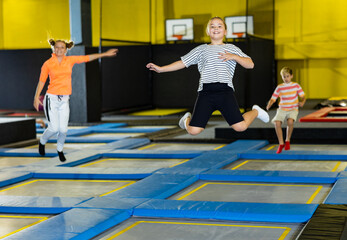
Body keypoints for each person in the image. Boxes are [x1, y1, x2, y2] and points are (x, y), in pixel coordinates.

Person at [146, 17, 269, 135]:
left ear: (225, 31)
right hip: (205, 92)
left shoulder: (231, 48)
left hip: (225, 91)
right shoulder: (201, 49)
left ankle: (256, 111)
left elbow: (250, 64)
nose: (216, 28)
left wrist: (235, 57)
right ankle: (186, 120)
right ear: (208, 31)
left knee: (240, 127)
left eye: (219, 26)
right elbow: (182, 63)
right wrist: (161, 69)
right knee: (193, 131)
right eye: (212, 26)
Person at [33, 39, 118, 161]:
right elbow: (41, 81)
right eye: (57, 47)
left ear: (66, 49)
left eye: (62, 47)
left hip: (65, 99)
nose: (59, 49)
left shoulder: (70, 60)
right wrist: (36, 97)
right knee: (54, 128)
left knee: (63, 130)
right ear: (54, 49)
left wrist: (104, 54)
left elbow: (87, 57)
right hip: (51, 99)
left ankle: (60, 150)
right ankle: (42, 141)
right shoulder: (48, 64)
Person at [266, 67, 306, 154]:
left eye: (287, 76)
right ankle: (281, 143)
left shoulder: (296, 85)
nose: (286, 78)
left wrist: (302, 102)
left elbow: (303, 96)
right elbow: (273, 98)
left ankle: (287, 140)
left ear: (291, 76)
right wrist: (269, 104)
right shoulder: (280, 87)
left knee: (290, 122)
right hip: (282, 108)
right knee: (277, 123)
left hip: (293, 108)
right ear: (282, 77)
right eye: (284, 77)